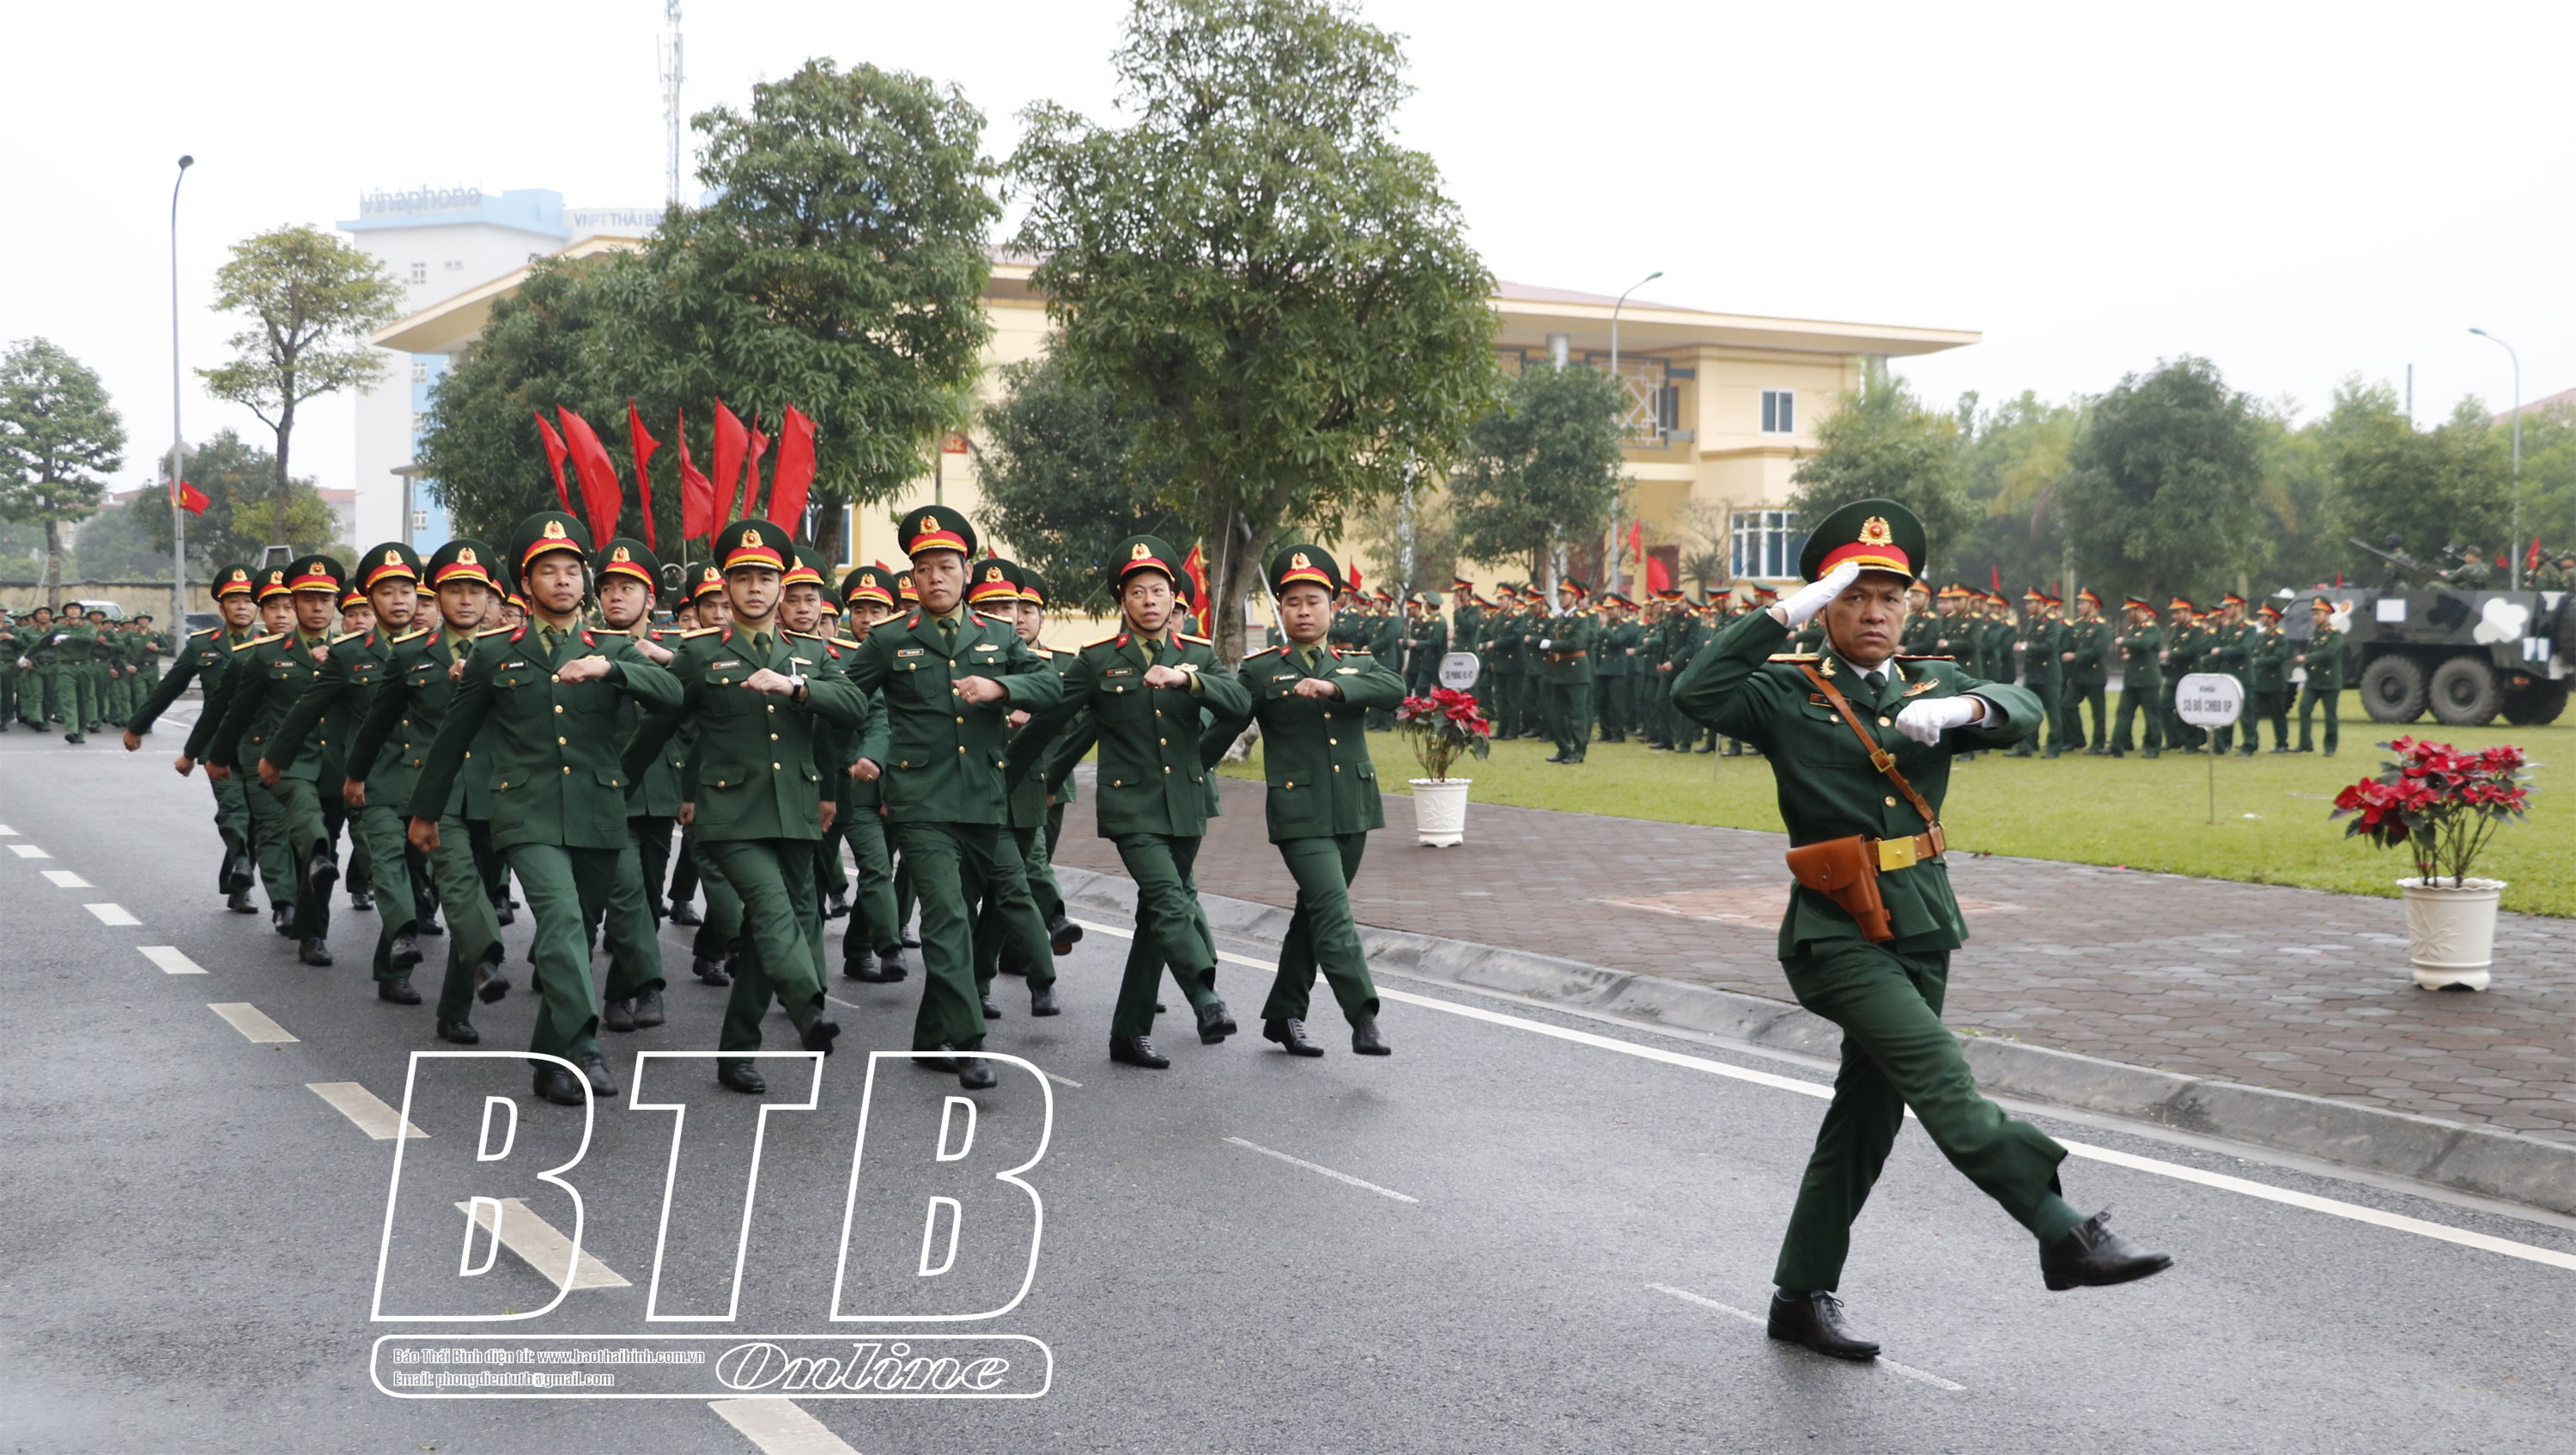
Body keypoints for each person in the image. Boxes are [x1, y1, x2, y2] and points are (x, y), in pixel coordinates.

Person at [1670, 497, 2169, 1363]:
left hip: (1924, 922)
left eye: (1889, 598)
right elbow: (1695, 691)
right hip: (1835, 931)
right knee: (1941, 1074)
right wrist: (1783, 611)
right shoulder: (1787, 690)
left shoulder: (1930, 685)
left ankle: (1798, 1296)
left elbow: (2025, 704)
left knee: (1865, 1120)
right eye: (1854, 596)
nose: (1874, 612)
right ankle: (2061, 1229)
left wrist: (1965, 711)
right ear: (1827, 606)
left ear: (1909, 607)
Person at [404, 512, 683, 1105]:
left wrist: (613, 668)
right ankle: (583, 1047)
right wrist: (426, 812)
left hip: (599, 810)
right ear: (526, 585)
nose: (562, 581)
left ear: (585, 582)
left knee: (576, 934)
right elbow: (453, 738)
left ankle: (548, 1060)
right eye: (548, 571)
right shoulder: (494, 652)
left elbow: (674, 696)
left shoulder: (614, 646)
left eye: (571, 571)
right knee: (560, 920)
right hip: (525, 810)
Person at [830, 505, 1066, 1087]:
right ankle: (968, 1041)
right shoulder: (890, 638)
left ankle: (931, 1036)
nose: (936, 578)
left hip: (984, 798)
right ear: (912, 578)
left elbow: (1051, 686)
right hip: (921, 801)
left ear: (966, 572)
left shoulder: (998, 635)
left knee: (1002, 896)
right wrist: (816, 714)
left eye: (947, 567)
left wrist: (1000, 687)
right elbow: (847, 699)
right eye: (924, 569)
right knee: (947, 919)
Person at [625, 521, 860, 1094]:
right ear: (726, 588)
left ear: (782, 587)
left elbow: (854, 706)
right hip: (730, 815)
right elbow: (659, 724)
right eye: (743, 578)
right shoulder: (701, 652)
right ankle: (808, 1006)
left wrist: (798, 688)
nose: (755, 588)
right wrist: (615, 787)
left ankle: (735, 1053)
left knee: (763, 932)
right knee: (774, 908)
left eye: (765, 578)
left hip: (795, 811)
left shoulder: (810, 652)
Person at [1017, 533, 1252, 1068]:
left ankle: (1128, 1033)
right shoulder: (1098, 659)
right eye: (1137, 592)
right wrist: (1011, 775)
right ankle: (1206, 997)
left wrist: (1188, 681)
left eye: (1158, 591)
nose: (1149, 600)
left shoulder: (1198, 656)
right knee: (1169, 898)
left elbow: (1240, 705)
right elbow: (1055, 724)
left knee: (1154, 919)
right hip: (1131, 809)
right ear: (1123, 601)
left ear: (1173, 598)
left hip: (1185, 805)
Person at [1203, 544, 1401, 1056]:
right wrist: (1189, 771)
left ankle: (1284, 1013)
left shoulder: (1356, 664)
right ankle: (1363, 1017)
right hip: (1300, 815)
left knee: (1313, 913)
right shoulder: (1262, 670)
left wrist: (1335, 689)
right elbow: (1225, 724)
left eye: (1313, 601)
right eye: (1293, 603)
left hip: (1354, 807)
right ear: (1282, 611)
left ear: (1333, 607)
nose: (1304, 611)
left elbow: (1394, 690)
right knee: (1333, 910)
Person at [346, 539, 510, 1044]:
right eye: (454, 591)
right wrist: (356, 775)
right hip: (435, 796)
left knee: (478, 894)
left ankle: (454, 1010)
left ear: (489, 599)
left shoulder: (511, 652)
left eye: (475, 591)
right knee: (459, 885)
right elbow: (378, 722)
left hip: (495, 792)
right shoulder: (411, 654)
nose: (465, 600)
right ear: (436, 599)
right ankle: (487, 958)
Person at [264, 544, 426, 1001]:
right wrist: (275, 759)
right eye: (387, 592)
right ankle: (314, 933)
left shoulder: (435, 650)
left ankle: (392, 969)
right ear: (369, 601)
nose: (398, 601)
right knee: (333, 855)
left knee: (411, 871)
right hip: (356, 775)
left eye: (406, 591)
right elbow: (306, 709)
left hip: (420, 779)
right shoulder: (348, 654)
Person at [206, 555, 353, 966]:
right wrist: (218, 757)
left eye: (325, 599)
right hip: (289, 765)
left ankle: (309, 925)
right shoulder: (267, 654)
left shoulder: (354, 652)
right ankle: (314, 936)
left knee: (323, 857)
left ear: (336, 603)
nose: (317, 607)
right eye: (307, 599)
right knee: (311, 837)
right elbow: (237, 712)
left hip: (337, 768)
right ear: (295, 602)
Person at [125, 565, 264, 911]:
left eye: (248, 600)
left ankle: (236, 881)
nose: (242, 607)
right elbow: (169, 687)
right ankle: (242, 866)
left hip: (261, 745)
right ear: (222, 608)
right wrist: (138, 726)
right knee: (233, 809)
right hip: (218, 746)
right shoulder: (203, 645)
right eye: (234, 601)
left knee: (259, 818)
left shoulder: (272, 645)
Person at [832, 564, 910, 983]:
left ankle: (860, 948)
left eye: (876, 611)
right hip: (849, 783)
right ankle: (888, 947)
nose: (866, 619)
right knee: (871, 869)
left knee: (880, 872)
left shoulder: (907, 653)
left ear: (891, 613)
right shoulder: (836, 656)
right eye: (859, 610)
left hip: (897, 784)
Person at [1538, 578, 1598, 764]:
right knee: (1555, 715)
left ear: (1575, 597)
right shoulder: (1560, 619)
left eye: (1565, 594)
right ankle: (1564, 748)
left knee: (1577, 715)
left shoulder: (1581, 619)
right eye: (1560, 594)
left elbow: (1576, 643)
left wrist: (1551, 644)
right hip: (1560, 671)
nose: (1561, 597)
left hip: (1576, 672)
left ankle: (1578, 751)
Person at [2110, 596, 2165, 759]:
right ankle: (2116, 746)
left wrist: (2124, 642)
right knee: (2123, 712)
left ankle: (2154, 747)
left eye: (2130, 611)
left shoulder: (2151, 628)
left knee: (2151, 715)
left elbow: (2145, 644)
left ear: (2139, 610)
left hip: (2148, 679)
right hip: (2132, 679)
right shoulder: (2135, 628)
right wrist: (2130, 653)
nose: (2128, 615)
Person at [2060, 589, 2110, 753]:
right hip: (2078, 675)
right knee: (2067, 705)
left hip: (2095, 675)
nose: (2079, 606)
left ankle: (2098, 744)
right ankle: (2076, 739)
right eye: (2079, 603)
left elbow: (2099, 650)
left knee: (2098, 712)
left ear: (2093, 605)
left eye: (2082, 603)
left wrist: (2075, 656)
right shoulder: (2078, 624)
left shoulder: (2101, 626)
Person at [2294, 595, 2345, 755]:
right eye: (2313, 614)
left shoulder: (2335, 634)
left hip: (2329, 681)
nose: (2315, 617)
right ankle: (2305, 743)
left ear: (2327, 615)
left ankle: (2330, 747)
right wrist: (2306, 665)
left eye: (2318, 614)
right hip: (2313, 680)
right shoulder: (2314, 634)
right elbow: (2312, 652)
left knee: (2330, 716)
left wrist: (2307, 658)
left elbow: (2329, 652)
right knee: (2304, 708)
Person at [2251, 602, 2293, 752]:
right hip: (2260, 681)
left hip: (2274, 682)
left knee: (2278, 714)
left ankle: (2282, 743)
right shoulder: (2261, 637)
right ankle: (2252, 742)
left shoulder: (2280, 637)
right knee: (2252, 712)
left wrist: (2258, 661)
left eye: (2263, 616)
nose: (2260, 618)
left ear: (2272, 618)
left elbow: (2278, 657)